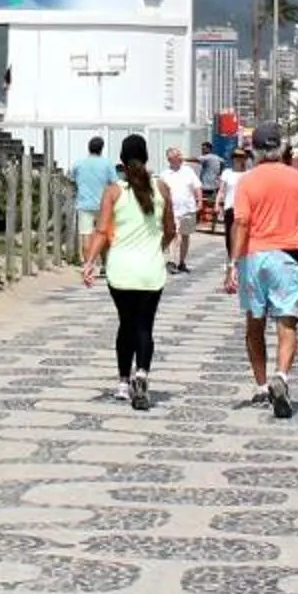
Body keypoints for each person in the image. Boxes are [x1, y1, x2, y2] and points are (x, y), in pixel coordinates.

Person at [224, 122, 298, 417]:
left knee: (255, 324)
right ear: (281, 148)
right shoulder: (296, 179)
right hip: (287, 256)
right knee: (287, 322)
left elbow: (241, 223)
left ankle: (262, 385)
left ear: (254, 150)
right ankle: (282, 375)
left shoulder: (247, 181)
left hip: (253, 258)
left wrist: (232, 263)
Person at [85, 132, 173, 409]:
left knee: (126, 324)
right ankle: (142, 373)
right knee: (145, 325)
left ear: (122, 161)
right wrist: (158, 247)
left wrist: (89, 262)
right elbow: (171, 229)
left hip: (121, 270)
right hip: (151, 270)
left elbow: (101, 231)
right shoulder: (162, 188)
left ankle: (124, 383)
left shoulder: (114, 192)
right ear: (146, 157)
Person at [70, 137, 118, 276]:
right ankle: (105, 264)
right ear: (101, 149)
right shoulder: (107, 163)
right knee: (103, 234)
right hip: (104, 204)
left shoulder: (79, 163)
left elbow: (71, 178)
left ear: (88, 148)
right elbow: (114, 183)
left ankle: (88, 266)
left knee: (86, 235)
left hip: (84, 203)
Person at [160, 145, 205, 275]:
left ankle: (182, 262)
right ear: (170, 159)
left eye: (180, 155)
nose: (181, 157)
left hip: (188, 208)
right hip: (172, 210)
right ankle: (172, 261)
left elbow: (197, 187)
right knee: (176, 234)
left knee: (185, 235)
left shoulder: (188, 171)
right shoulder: (164, 174)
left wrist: (200, 201)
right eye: (177, 155)